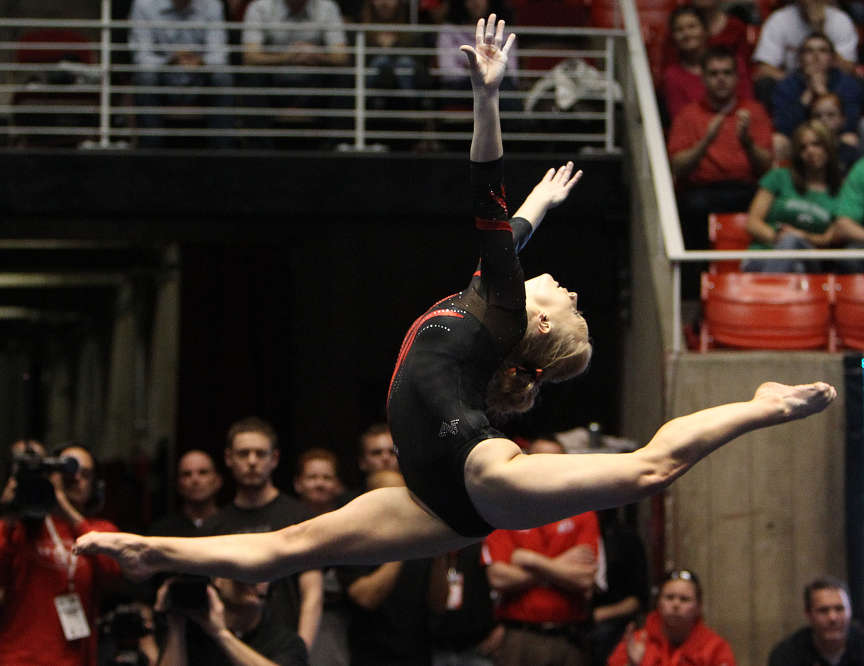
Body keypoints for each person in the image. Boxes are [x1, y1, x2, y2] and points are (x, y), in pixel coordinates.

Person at [74, 15, 836, 595]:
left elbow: (486, 195)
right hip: (441, 494)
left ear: (537, 325)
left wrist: (486, 95)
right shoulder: (492, 303)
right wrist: (541, 204)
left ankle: (765, 404)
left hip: (475, 478)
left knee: (646, 471)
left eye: (567, 300)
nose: (563, 287)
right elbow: (509, 230)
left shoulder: (503, 309)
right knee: (291, 548)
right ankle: (152, 549)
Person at [203, 417, 323, 653]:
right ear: (229, 458)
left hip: (284, 646)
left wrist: (301, 651)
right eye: (243, 453)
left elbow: (312, 592)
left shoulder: (299, 516)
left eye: (260, 453)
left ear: (274, 459)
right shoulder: (213, 526)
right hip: (227, 649)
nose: (252, 462)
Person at [482, 436, 600, 666]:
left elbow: (584, 578)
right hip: (520, 638)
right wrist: (560, 566)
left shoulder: (583, 512)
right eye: (539, 459)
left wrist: (530, 560)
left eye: (553, 461)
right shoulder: (505, 511)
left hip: (568, 638)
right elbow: (498, 577)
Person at [0, 445, 121, 665]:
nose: (75, 478)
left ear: (95, 485)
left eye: (85, 474)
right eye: (67, 472)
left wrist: (62, 505)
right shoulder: (23, 528)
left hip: (75, 659)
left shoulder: (101, 530)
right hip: (18, 657)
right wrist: (8, 516)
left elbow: (113, 572)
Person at [668, 46, 773, 291]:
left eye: (726, 73)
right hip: (703, 192)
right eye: (714, 74)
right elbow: (678, 167)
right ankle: (698, 287)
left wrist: (747, 141)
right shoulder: (689, 114)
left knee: (771, 206)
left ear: (737, 78)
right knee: (692, 207)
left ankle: (759, 281)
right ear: (704, 78)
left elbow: (767, 167)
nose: (721, 79)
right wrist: (706, 139)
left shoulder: (754, 111)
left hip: (747, 189)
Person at [338, 469, 445, 665]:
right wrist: (402, 546)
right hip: (371, 657)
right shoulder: (354, 543)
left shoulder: (421, 540)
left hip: (418, 655)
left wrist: (439, 556)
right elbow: (366, 598)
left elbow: (438, 604)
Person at [241, 0, 350, 144]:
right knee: (251, 77)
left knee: (343, 78)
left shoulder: (327, 7)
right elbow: (249, 57)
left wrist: (316, 55)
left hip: (314, 86)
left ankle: (335, 149)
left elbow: (342, 57)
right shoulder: (260, 7)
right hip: (274, 85)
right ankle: (259, 150)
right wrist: (286, 57)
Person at [128, 0, 234, 148]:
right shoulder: (143, 5)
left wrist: (200, 62)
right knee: (145, 77)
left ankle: (222, 154)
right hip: (163, 79)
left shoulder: (212, 5)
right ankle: (150, 153)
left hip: (199, 79)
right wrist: (171, 60)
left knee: (222, 77)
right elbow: (141, 57)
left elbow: (219, 55)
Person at [742, 119, 841, 273]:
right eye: (803, 147)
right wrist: (780, 238)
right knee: (796, 267)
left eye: (816, 144)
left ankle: (764, 294)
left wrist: (801, 236)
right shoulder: (779, 177)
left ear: (828, 146)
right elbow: (752, 223)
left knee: (796, 250)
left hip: (809, 257)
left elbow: (830, 237)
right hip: (763, 255)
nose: (810, 151)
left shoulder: (840, 192)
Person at [155, 575, 310, 665]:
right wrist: (176, 625)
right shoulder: (194, 636)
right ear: (217, 580)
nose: (253, 581)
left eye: (261, 574)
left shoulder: (286, 642)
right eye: (239, 573)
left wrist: (221, 634)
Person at [607, 570, 736, 666]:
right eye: (669, 597)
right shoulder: (637, 642)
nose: (676, 604)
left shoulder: (715, 648)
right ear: (659, 603)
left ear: (698, 607)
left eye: (684, 599)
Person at [293, 448, 350, 666]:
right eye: (312, 477)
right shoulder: (285, 523)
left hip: (338, 625)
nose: (320, 483)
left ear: (337, 484)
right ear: (298, 483)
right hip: (292, 618)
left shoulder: (350, 524)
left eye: (327, 477)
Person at [771, 33, 862, 162]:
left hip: (836, 138)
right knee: (778, 141)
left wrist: (822, 94)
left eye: (822, 51)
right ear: (800, 58)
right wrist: (808, 95)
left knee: (850, 139)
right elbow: (783, 126)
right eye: (809, 51)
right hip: (799, 139)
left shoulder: (848, 84)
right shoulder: (787, 85)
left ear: (832, 58)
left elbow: (849, 124)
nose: (816, 56)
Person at [752, 0, 857, 110]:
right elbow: (764, 68)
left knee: (854, 83)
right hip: (793, 84)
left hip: (832, 83)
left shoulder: (840, 21)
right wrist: (797, 82)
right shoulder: (779, 20)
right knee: (765, 84)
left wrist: (819, 29)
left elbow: (847, 69)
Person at [661, 7, 751, 121]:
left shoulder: (734, 63)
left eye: (692, 27)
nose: (686, 33)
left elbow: (749, 106)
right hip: (697, 134)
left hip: (738, 127)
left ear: (705, 30)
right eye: (679, 30)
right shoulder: (672, 76)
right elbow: (681, 121)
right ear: (673, 37)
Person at [768, 576, 864, 665]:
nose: (833, 618)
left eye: (839, 609)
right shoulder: (787, 654)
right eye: (823, 610)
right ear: (808, 614)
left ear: (850, 611)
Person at [150, 449, 223, 537]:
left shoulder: (232, 528)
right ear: (178, 484)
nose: (195, 480)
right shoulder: (162, 532)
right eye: (187, 474)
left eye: (203, 472)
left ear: (217, 481)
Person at [811, 93, 862, 176]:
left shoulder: (850, 153)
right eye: (817, 116)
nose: (823, 120)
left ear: (842, 119)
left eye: (831, 115)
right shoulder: (805, 150)